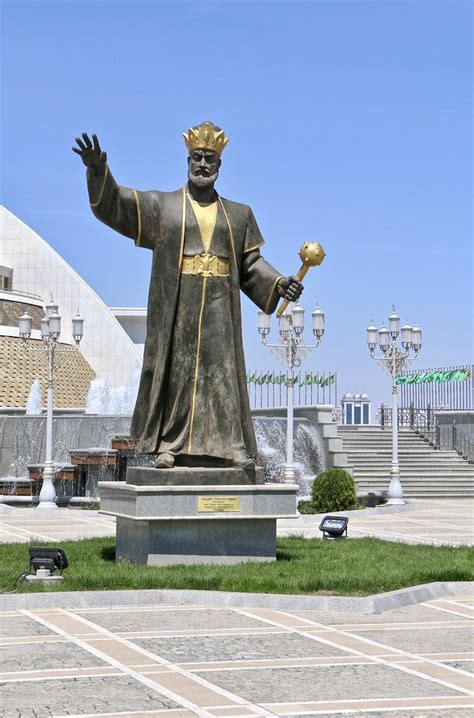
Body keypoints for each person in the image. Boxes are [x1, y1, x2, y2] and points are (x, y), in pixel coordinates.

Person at [73, 122, 303, 469]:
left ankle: (231, 447)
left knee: (222, 377)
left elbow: (251, 263)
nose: (202, 165)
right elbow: (117, 206)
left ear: (219, 166)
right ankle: (170, 445)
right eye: (197, 157)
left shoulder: (240, 215)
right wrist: (98, 169)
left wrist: (279, 283)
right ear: (187, 161)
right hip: (179, 304)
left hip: (219, 308)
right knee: (179, 375)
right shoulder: (164, 207)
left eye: (209, 159)